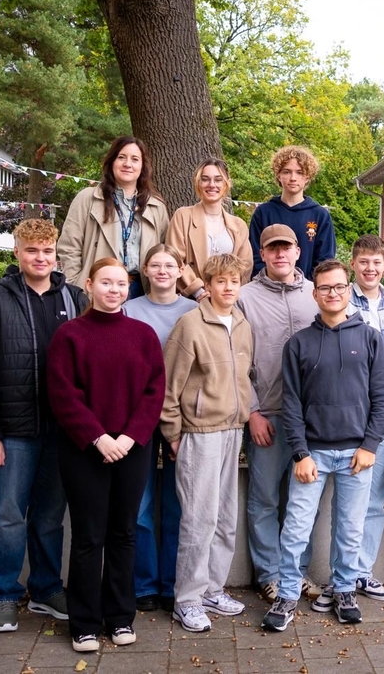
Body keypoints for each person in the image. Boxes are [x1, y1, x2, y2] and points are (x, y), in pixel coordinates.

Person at [0, 219, 85, 633]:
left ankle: (46, 590)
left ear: (56, 254)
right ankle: (6, 594)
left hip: (62, 431)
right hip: (12, 433)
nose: (41, 258)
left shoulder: (74, 298)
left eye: (47, 251)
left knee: (50, 516)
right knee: (8, 516)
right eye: (32, 251)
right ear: (17, 253)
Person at [261, 260, 384, 631]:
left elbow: (382, 397)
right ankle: (287, 594)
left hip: (357, 454)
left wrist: (370, 445)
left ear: (347, 290)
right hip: (312, 454)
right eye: (324, 288)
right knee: (296, 529)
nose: (332, 293)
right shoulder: (299, 343)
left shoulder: (369, 338)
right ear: (314, 293)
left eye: (338, 287)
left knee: (350, 528)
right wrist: (300, 453)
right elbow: (291, 405)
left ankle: (344, 589)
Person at [47, 258, 166, 652]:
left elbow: (154, 391)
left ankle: (120, 617)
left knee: (124, 533)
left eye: (121, 284)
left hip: (132, 450)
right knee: (88, 537)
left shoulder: (143, 335)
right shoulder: (70, 335)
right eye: (107, 283)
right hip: (85, 450)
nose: (114, 290)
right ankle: (84, 623)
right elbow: (63, 395)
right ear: (90, 284)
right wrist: (99, 438)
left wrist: (130, 438)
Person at [310, 234, 384, 612]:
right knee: (343, 503)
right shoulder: (338, 299)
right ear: (354, 263)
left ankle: (360, 571)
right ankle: (340, 577)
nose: (370, 268)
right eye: (363, 262)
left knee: (375, 496)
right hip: (346, 412)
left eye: (377, 262)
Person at [160, 253, 255, 633]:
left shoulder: (243, 323)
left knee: (225, 518)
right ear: (208, 284)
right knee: (199, 519)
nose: (228, 287)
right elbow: (169, 387)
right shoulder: (190, 325)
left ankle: (214, 588)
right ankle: (188, 599)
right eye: (220, 281)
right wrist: (173, 433)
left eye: (234, 281)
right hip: (199, 433)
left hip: (233, 430)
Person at [237, 224, 321, 601]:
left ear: (298, 252)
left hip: (311, 418)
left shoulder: (316, 294)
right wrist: (252, 411)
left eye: (286, 248)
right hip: (267, 415)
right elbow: (236, 362)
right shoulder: (244, 298)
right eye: (272, 249)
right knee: (265, 498)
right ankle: (269, 573)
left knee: (303, 500)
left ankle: (297, 571)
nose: (280, 254)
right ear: (263, 254)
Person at [122, 245, 198, 613]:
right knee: (140, 504)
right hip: (138, 418)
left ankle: (173, 582)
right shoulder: (129, 310)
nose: (164, 271)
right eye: (156, 265)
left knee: (178, 504)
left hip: (183, 420)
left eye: (171, 265)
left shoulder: (195, 311)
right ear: (145, 271)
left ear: (181, 270)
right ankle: (144, 584)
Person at [59, 136, 169, 299]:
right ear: (111, 162)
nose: (127, 164)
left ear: (142, 167)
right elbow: (69, 247)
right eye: (121, 157)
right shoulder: (87, 199)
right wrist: (76, 287)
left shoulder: (156, 206)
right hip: (97, 289)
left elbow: (164, 250)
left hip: (142, 291)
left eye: (135, 159)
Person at [165, 158, 253, 300]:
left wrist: (227, 294)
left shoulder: (239, 225)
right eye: (205, 179)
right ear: (197, 183)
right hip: (191, 300)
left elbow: (245, 266)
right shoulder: (183, 216)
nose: (212, 185)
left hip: (228, 301)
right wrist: (198, 291)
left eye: (218, 180)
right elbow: (174, 259)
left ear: (226, 184)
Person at [248, 145, 335, 278]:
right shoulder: (263, 213)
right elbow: (255, 256)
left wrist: (309, 287)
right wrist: (267, 283)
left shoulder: (319, 215)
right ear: (278, 175)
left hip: (307, 292)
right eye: (287, 172)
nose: (293, 178)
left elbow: (325, 260)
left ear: (308, 177)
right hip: (268, 290)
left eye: (299, 172)